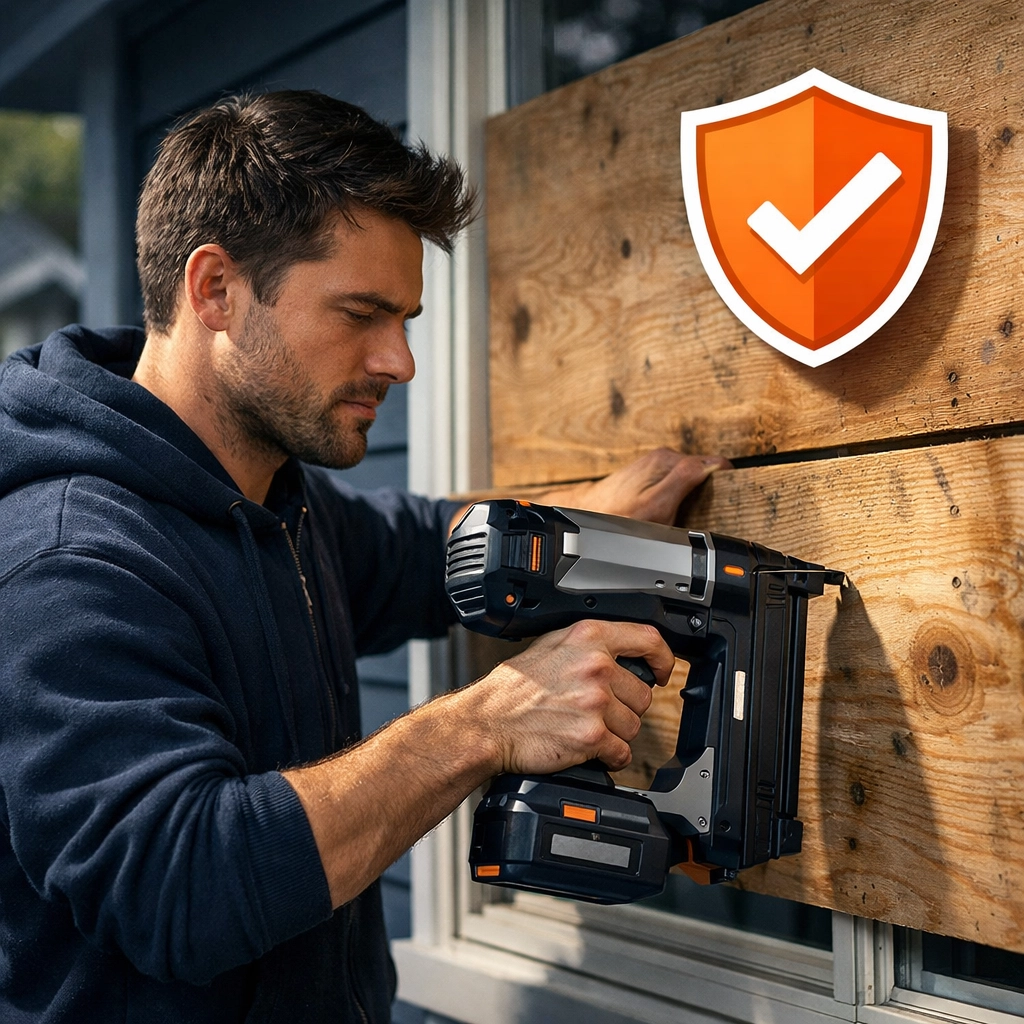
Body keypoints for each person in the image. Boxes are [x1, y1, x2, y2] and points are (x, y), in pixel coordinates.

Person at [0, 90, 727, 1023]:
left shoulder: (272, 499)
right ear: (215, 289)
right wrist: (485, 724)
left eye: (408, 319)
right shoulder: (70, 563)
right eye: (361, 313)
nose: (401, 361)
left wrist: (586, 515)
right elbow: (183, 888)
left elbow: (422, 551)